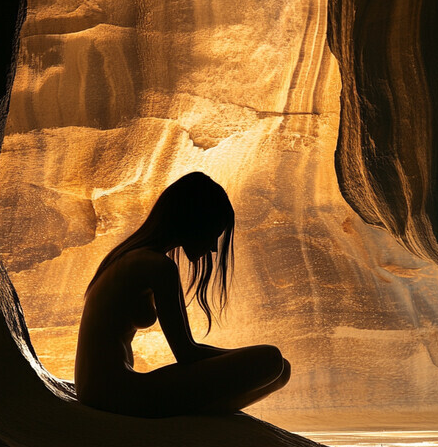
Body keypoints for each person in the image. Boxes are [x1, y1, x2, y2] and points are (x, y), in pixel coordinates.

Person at [75, 172, 290, 418]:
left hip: (100, 391)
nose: (212, 248)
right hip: (117, 393)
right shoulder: (156, 265)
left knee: (281, 372)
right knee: (271, 359)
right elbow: (187, 353)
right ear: (195, 221)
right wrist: (244, 358)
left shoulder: (129, 257)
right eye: (213, 234)